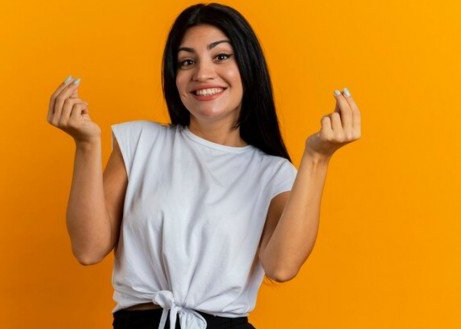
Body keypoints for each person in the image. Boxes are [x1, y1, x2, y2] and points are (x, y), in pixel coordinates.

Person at [47, 3, 361, 329]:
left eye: (221, 56)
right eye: (187, 61)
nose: (202, 73)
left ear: (248, 66)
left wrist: (318, 158)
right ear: (175, 77)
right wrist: (85, 145)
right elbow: (88, 248)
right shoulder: (139, 141)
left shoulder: (272, 173)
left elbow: (281, 267)